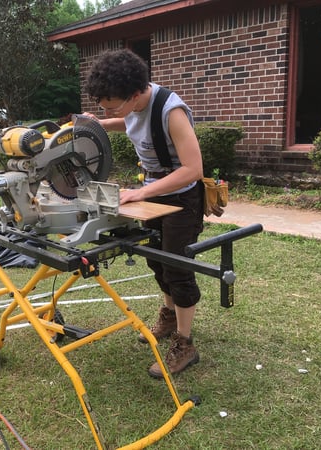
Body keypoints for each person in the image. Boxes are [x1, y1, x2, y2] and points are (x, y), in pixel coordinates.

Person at [85, 48, 204, 378]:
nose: (107, 110)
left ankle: (185, 344)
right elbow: (130, 120)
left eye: (111, 105)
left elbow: (193, 169)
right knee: (154, 257)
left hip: (182, 198)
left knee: (176, 265)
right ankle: (169, 316)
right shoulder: (134, 105)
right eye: (103, 107)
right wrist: (102, 123)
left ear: (135, 93)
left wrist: (140, 192)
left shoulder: (171, 110)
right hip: (154, 194)